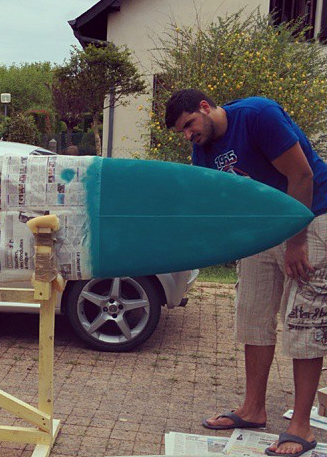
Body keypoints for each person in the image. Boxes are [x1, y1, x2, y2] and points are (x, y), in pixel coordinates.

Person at [165, 89, 327, 457]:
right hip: (263, 229)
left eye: (189, 124)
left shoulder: (257, 115)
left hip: (311, 217)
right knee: (252, 315)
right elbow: (217, 206)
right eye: (182, 132)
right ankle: (253, 409)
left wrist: (295, 242)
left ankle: (301, 426)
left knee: (303, 321)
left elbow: (302, 175)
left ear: (205, 107)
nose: (188, 135)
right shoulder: (202, 150)